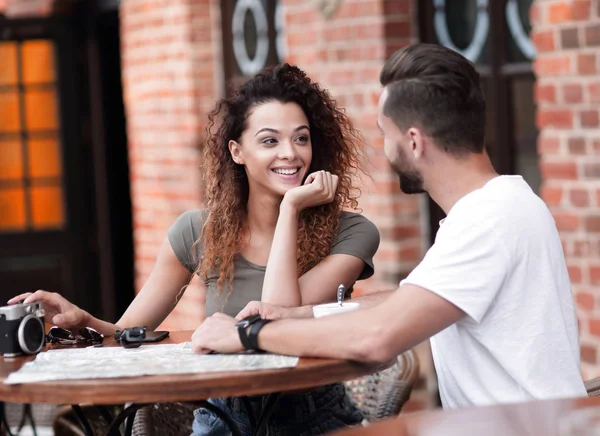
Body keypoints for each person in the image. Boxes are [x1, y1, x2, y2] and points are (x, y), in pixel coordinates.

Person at [191, 43, 588, 408]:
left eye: (385, 134)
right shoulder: (501, 205)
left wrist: (245, 336)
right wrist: (298, 316)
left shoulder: (488, 222)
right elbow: (411, 302)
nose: (384, 149)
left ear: (413, 141)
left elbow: (377, 339)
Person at [9, 64, 380, 434]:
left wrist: (290, 208)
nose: (291, 154)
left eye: (301, 138)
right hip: (220, 415)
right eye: (270, 141)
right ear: (237, 151)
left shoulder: (351, 234)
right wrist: (84, 322)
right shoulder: (197, 231)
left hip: (312, 415)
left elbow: (278, 317)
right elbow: (127, 334)